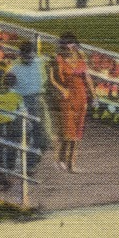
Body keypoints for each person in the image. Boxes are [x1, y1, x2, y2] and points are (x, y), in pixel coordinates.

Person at [48, 34, 93, 173]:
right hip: (66, 98)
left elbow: (87, 76)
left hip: (80, 97)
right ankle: (64, 161)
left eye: (72, 44)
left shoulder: (80, 56)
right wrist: (62, 89)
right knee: (68, 132)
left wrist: (93, 94)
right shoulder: (58, 59)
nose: (70, 47)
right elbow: (52, 79)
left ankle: (69, 162)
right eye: (67, 44)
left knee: (77, 132)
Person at [6, 40, 51, 172]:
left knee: (45, 137)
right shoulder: (13, 67)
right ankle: (28, 165)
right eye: (26, 57)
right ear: (20, 55)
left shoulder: (40, 61)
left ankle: (32, 159)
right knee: (24, 135)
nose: (29, 59)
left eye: (31, 56)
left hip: (38, 100)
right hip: (21, 102)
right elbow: (8, 87)